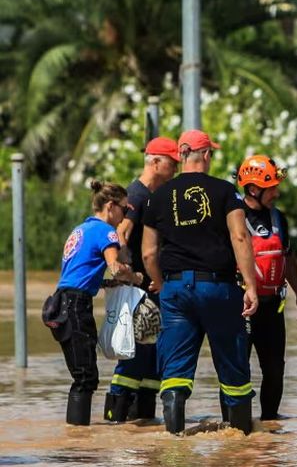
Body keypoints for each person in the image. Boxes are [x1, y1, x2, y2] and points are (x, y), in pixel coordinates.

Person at [141, 129, 258, 435]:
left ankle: (175, 445)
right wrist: (251, 285)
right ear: (206, 155)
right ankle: (242, 446)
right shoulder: (225, 191)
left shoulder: (158, 196)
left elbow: (149, 252)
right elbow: (240, 236)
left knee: (175, 370)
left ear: (180, 155)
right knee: (233, 365)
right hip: (218, 288)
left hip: (177, 288)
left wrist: (162, 285)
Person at [53, 180, 143, 425]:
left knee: (82, 374)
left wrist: (106, 285)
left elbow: (77, 275)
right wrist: (134, 277)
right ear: (111, 206)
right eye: (124, 210)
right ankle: (79, 444)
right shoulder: (106, 231)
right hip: (74, 306)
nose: (124, 216)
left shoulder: (80, 230)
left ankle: (77, 438)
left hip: (61, 302)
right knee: (85, 378)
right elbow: (114, 267)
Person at [103, 136, 179, 423]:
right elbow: (120, 234)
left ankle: (142, 423)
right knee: (133, 356)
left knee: (151, 358)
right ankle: (115, 421)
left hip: (150, 287)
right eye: (172, 163)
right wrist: (128, 274)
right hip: (139, 289)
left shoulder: (153, 194)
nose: (175, 168)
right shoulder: (137, 194)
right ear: (155, 162)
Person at [236, 154, 297, 421]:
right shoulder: (234, 217)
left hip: (272, 307)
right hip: (242, 307)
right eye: (272, 187)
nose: (277, 193)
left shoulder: (279, 218)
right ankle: (237, 425)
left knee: (275, 370)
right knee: (238, 368)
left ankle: (270, 427)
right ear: (254, 189)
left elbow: (287, 258)